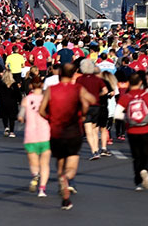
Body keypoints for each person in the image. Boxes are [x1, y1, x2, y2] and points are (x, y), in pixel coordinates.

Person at [40, 64, 96, 210]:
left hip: (56, 131)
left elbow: (41, 110)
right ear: (73, 75)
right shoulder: (77, 89)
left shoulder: (51, 90)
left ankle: (62, 183)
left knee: (60, 161)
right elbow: (90, 100)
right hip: (73, 131)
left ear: (59, 74)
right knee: (71, 163)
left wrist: (50, 118)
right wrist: (83, 113)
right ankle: (67, 179)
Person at [114, 72, 148, 191]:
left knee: (137, 156)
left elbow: (117, 114)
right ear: (141, 82)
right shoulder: (146, 95)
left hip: (132, 130)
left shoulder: (126, 96)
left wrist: (128, 119)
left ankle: (138, 182)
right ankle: (146, 169)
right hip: (146, 129)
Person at [18, 74, 51, 197]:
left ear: (31, 86)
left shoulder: (26, 100)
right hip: (45, 134)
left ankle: (35, 175)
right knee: (45, 163)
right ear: (42, 85)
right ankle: (42, 189)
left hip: (30, 134)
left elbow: (20, 116)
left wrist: (24, 119)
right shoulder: (46, 99)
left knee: (33, 162)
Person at [77, 59, 109, 160]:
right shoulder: (97, 79)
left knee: (88, 129)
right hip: (97, 106)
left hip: (85, 106)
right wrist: (97, 95)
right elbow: (105, 90)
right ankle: (97, 149)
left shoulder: (80, 79)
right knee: (95, 129)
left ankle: (94, 151)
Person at [0, 70, 21, 137]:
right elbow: (18, 94)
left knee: (5, 116)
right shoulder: (14, 84)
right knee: (12, 118)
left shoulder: (0, 84)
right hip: (13, 102)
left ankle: (6, 127)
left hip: (3, 102)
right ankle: (12, 132)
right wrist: (19, 101)